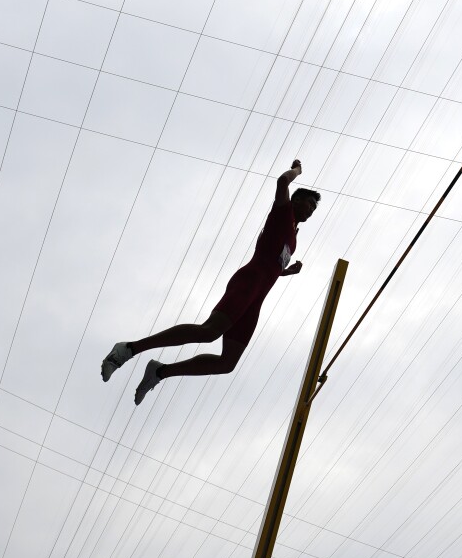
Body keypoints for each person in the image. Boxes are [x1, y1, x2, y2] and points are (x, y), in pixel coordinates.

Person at [101, 159, 320, 405]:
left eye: (314, 210)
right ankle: (128, 349)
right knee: (209, 333)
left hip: (257, 297)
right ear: (296, 200)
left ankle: (159, 372)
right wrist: (297, 171)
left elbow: (272, 263)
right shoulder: (283, 211)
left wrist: (286, 273)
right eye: (308, 205)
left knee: (227, 363)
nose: (310, 212)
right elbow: (281, 181)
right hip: (248, 282)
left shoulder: (294, 234)